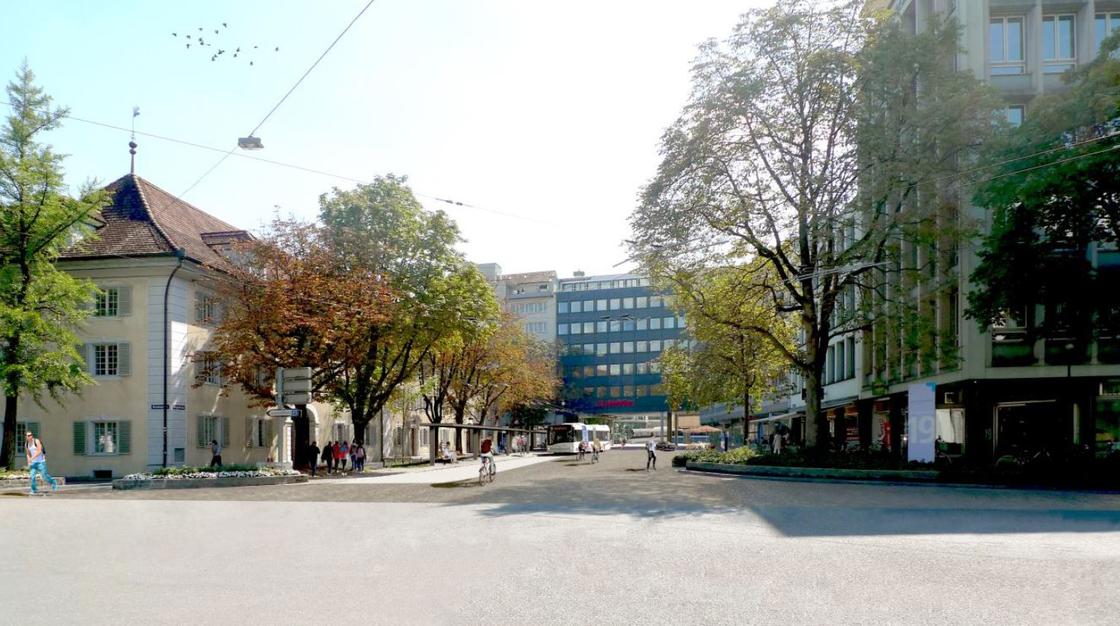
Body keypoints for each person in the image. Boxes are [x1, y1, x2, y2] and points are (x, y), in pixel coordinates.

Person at [25, 430, 58, 495]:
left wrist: (31, 458)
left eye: (30, 435)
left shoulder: (36, 441)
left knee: (44, 476)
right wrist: (29, 461)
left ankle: (53, 481)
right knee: (32, 476)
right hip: (33, 463)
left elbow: (39, 451)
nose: (29, 436)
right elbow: (28, 453)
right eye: (28, 435)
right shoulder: (26, 444)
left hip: (41, 462)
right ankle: (34, 489)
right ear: (25, 437)